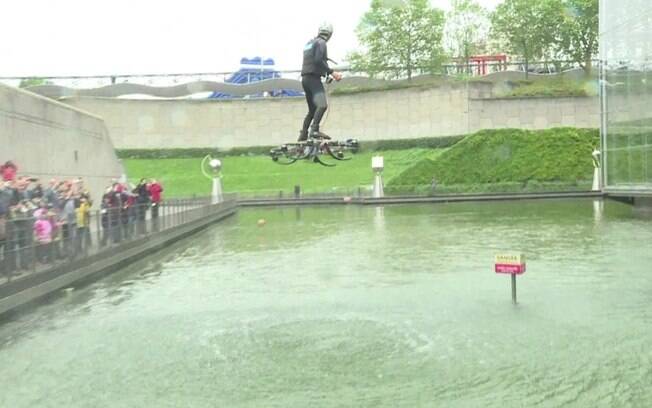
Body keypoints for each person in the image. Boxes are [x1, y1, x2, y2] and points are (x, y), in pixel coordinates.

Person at [298, 22, 342, 142]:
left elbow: (314, 61)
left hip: (305, 79)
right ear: (329, 34)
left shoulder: (310, 43)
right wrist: (332, 72)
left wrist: (326, 73)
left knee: (312, 110)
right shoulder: (321, 43)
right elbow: (318, 60)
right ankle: (315, 130)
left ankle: (303, 135)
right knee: (322, 105)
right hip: (313, 79)